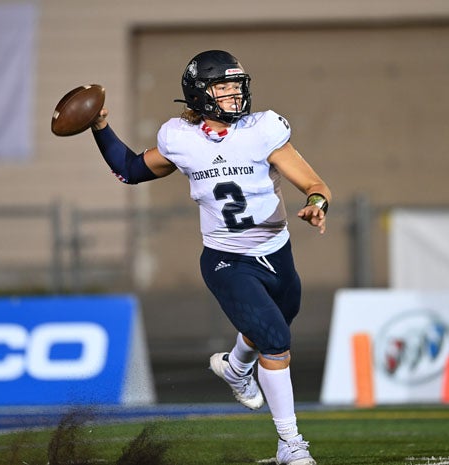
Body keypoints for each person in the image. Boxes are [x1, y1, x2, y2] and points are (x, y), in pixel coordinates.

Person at [90, 50, 331, 465]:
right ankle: (291, 444)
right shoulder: (179, 139)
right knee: (276, 340)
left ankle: (237, 368)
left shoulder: (262, 129)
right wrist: (100, 127)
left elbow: (314, 182)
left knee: (271, 326)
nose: (235, 93)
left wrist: (316, 204)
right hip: (226, 260)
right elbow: (130, 169)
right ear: (200, 93)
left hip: (276, 252)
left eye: (237, 85)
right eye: (224, 86)